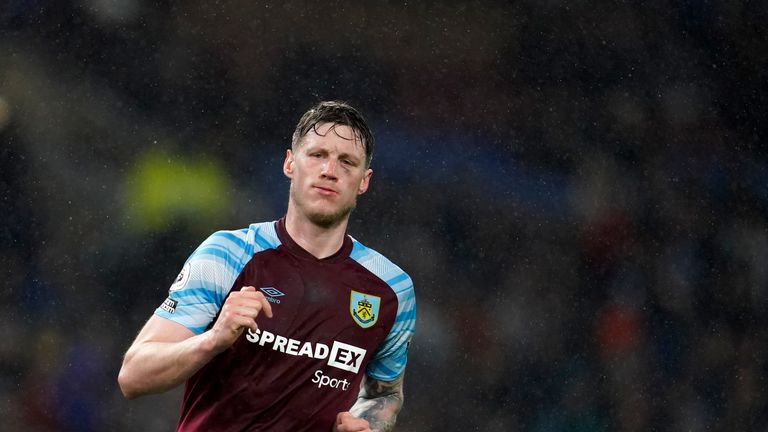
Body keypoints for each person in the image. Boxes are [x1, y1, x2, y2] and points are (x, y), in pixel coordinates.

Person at [118, 101, 416, 432]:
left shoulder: (391, 289)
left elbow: (385, 395)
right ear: (290, 163)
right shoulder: (228, 254)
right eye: (317, 155)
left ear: (364, 181)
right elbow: (134, 376)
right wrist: (214, 339)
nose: (330, 170)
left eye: (347, 162)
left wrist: (369, 425)